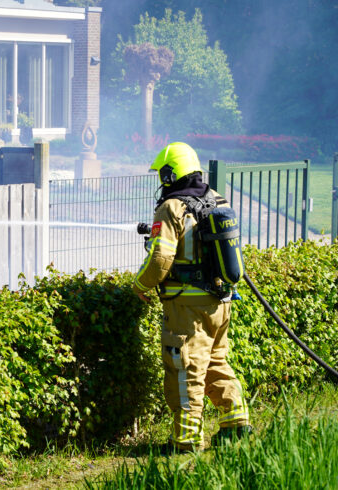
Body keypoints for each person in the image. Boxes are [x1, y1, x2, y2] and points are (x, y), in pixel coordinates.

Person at [133, 142, 251, 453]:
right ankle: (236, 423)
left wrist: (140, 285)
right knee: (216, 362)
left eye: (162, 175)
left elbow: (160, 260)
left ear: (170, 174)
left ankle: (185, 442)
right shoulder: (217, 199)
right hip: (221, 302)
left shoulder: (172, 208)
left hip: (188, 306)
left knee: (184, 370)